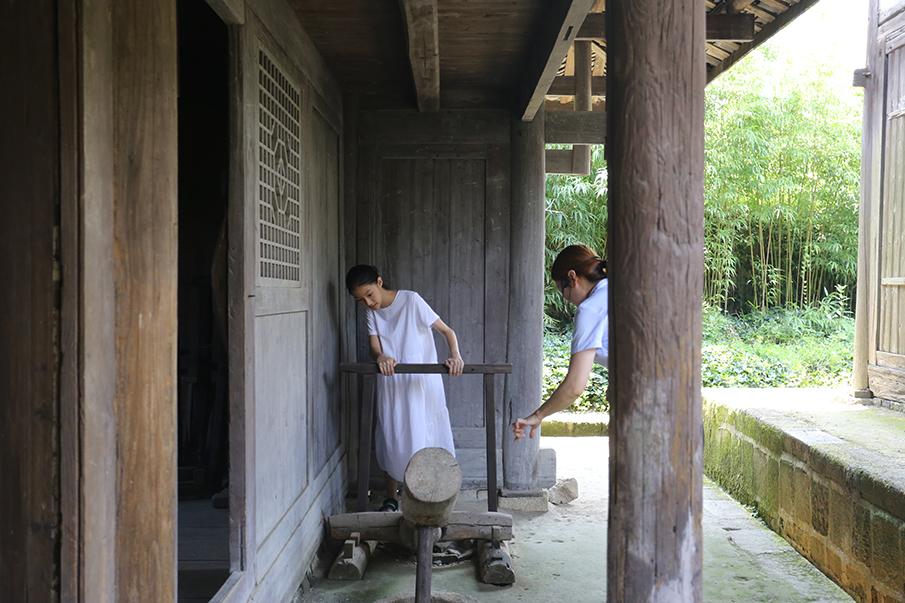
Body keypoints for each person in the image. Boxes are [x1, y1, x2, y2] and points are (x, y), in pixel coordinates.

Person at [346, 264, 464, 512]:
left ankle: (431, 496)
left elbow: (446, 331)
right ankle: (392, 497)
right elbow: (375, 348)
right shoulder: (373, 313)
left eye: (369, 294)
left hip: (421, 382)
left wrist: (455, 356)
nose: (368, 302)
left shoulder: (411, 300)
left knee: (426, 434)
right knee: (393, 432)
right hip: (391, 381)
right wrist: (380, 358)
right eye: (360, 300)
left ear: (379, 282)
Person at [512, 244, 608, 441]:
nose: (566, 299)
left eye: (562, 290)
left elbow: (574, 386)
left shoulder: (590, 308)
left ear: (572, 277)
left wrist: (538, 415)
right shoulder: (616, 290)